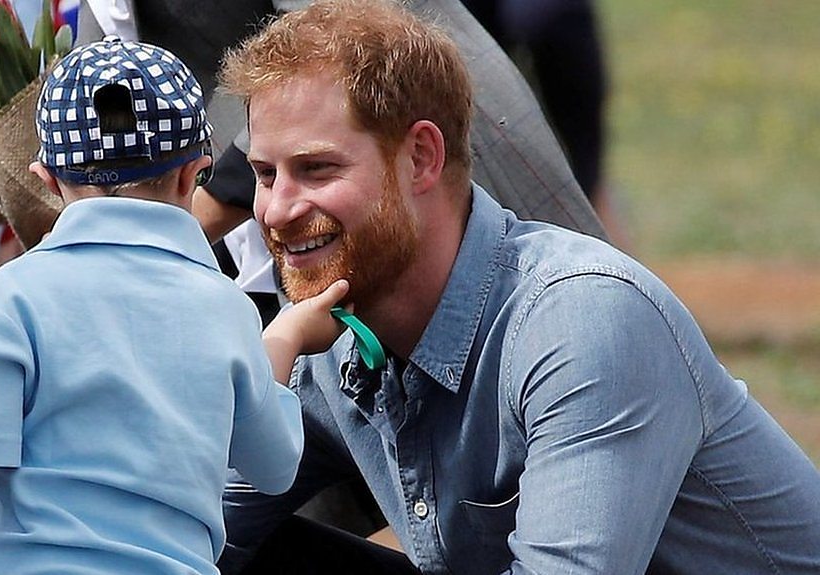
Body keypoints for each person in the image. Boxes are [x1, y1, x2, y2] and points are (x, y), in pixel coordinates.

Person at [216, 1, 820, 574]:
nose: (276, 210)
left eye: (317, 169)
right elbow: (175, 526)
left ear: (422, 157)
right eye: (266, 174)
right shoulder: (337, 340)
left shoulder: (581, 319)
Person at [0, 38, 348, 575]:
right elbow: (275, 465)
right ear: (195, 173)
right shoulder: (227, 309)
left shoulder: (18, 296)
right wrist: (284, 338)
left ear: (45, 178)